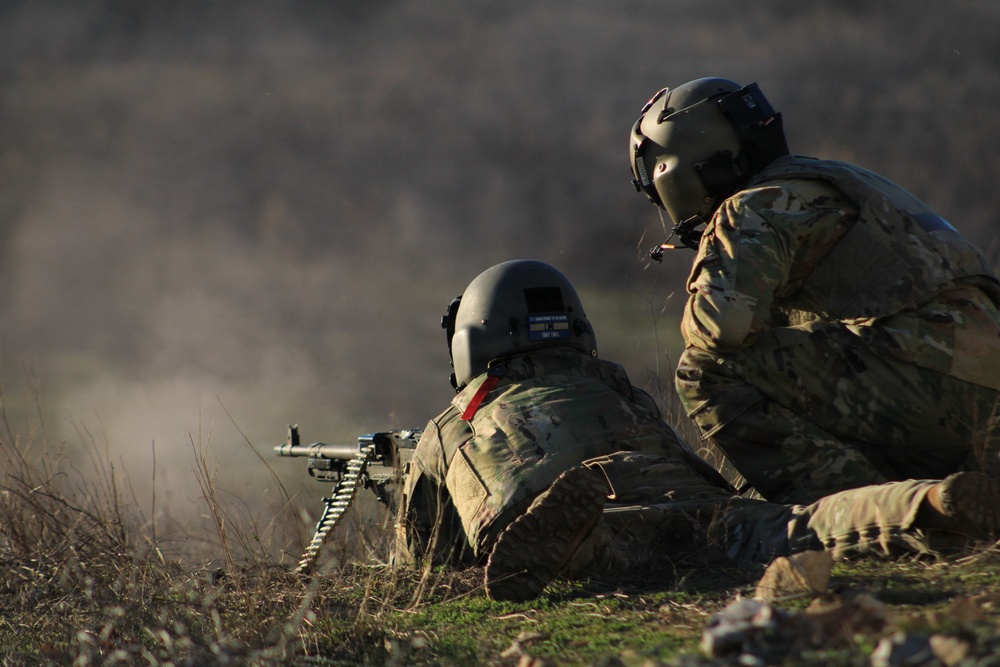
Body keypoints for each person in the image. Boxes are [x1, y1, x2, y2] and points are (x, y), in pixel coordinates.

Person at [392, 259, 1000, 603]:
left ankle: (581, 544)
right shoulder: (615, 385)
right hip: (697, 506)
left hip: (602, 517)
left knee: (611, 551)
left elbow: (422, 564)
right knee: (800, 527)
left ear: (472, 341)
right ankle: (929, 502)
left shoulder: (453, 423)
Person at [628, 77, 1000, 505]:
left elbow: (721, 327)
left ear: (673, 166)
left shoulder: (753, 206)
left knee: (705, 369)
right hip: (972, 393)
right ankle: (933, 495)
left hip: (932, 383)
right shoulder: (837, 180)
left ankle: (853, 519)